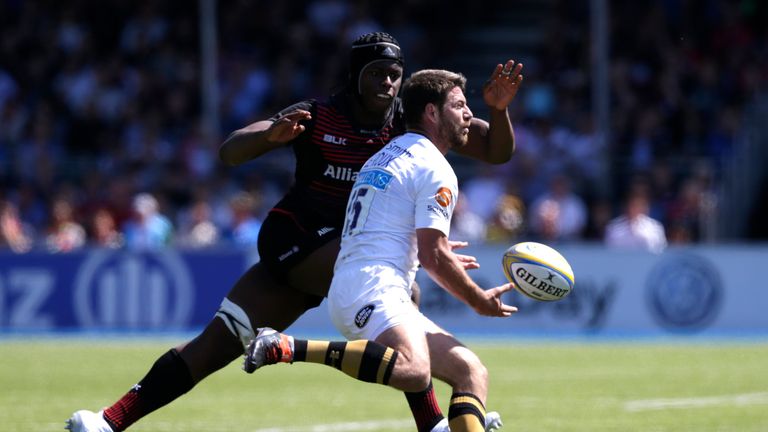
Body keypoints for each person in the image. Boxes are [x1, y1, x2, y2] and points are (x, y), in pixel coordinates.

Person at [66, 32, 523, 432]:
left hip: (346, 252)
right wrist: (270, 137)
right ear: (355, 75)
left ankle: (108, 420)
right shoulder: (317, 115)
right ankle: (432, 424)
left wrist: (498, 110)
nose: (388, 81)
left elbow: (493, 149)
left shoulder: (406, 122)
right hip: (296, 242)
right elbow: (230, 152)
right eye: (378, 72)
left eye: (396, 72)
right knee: (402, 297)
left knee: (215, 346)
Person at [244, 69, 518, 432]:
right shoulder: (435, 167)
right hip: (372, 285)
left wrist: (415, 245)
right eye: (459, 105)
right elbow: (433, 257)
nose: (469, 114)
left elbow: (392, 226)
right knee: (413, 369)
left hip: (362, 279)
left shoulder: (386, 156)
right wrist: (479, 300)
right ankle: (287, 346)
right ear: (432, 113)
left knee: (470, 371)